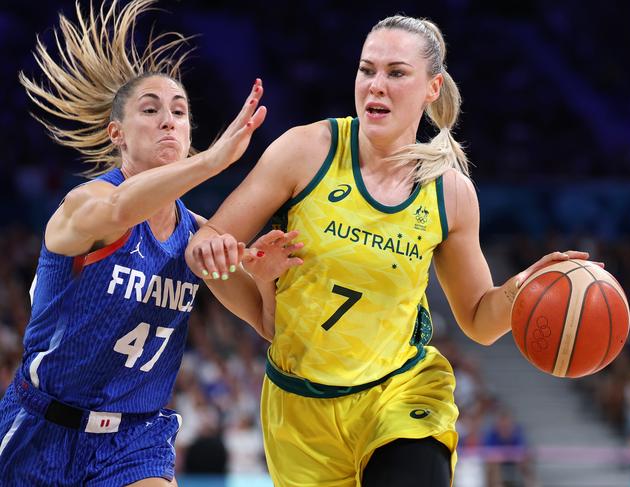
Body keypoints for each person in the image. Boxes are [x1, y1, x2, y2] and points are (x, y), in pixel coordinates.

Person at [186, 15, 597, 487]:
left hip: (400, 393)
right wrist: (239, 274)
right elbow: (208, 245)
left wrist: (520, 292)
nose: (376, 85)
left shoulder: (450, 192)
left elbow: (480, 322)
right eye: (367, 70)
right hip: (300, 411)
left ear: (431, 88)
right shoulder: (306, 150)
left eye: (396, 73)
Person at [0, 1, 297, 485]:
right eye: (151, 109)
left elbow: (270, 326)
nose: (168, 120)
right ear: (117, 133)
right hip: (41, 425)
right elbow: (121, 211)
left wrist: (265, 282)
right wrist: (212, 163)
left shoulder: (198, 238)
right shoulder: (87, 203)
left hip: (134, 440)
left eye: (179, 112)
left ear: (188, 134)